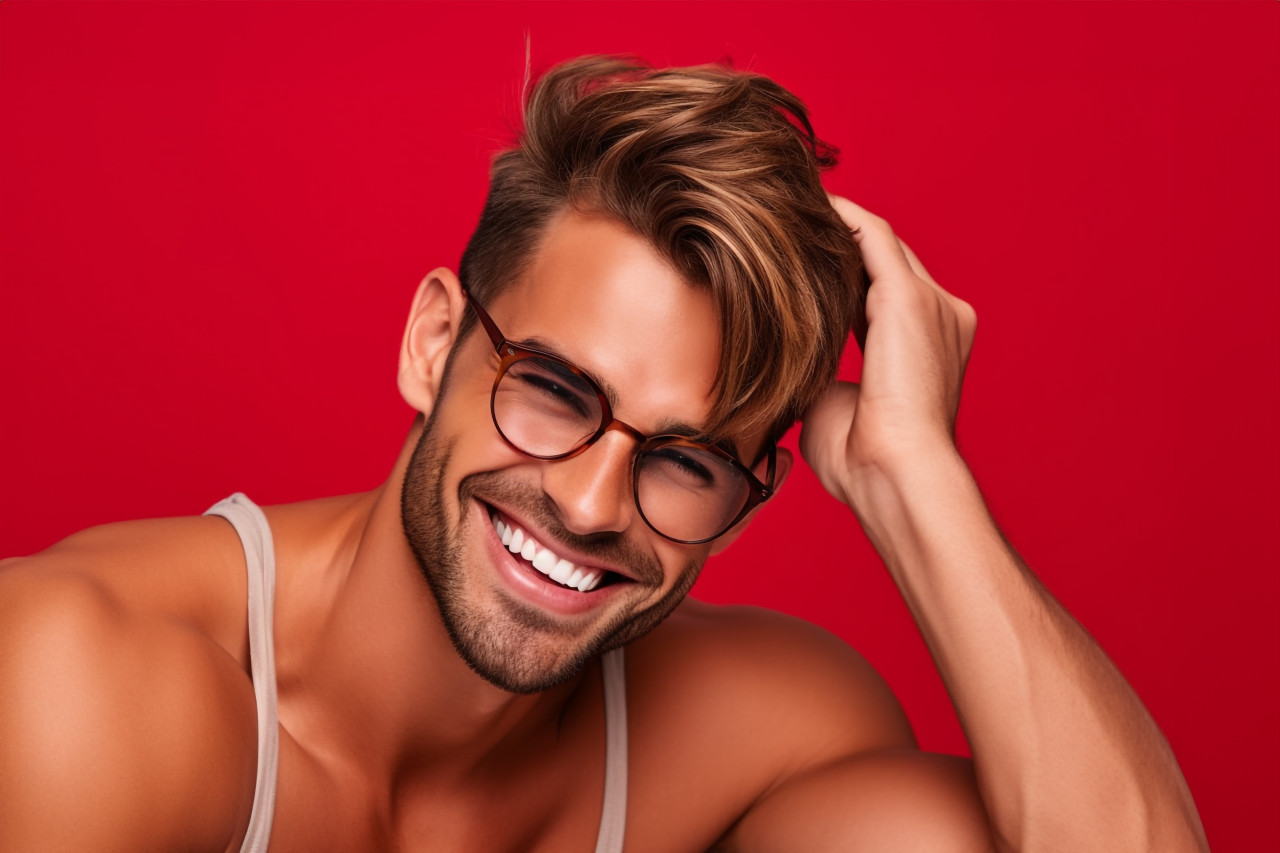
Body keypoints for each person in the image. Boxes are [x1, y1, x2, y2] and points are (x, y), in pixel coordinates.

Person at [0, 56, 1206, 852]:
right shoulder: (81, 687)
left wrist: (915, 479)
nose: (586, 502)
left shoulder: (765, 737)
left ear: (740, 504)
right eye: (555, 389)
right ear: (434, 343)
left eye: (684, 459)